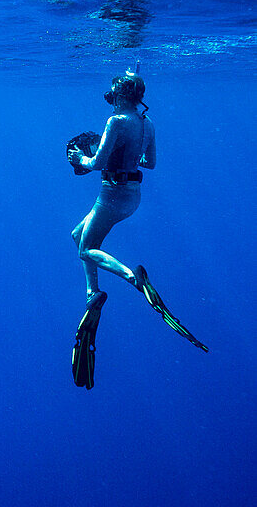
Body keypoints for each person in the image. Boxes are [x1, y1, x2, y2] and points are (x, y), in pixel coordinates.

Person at [68, 71, 207, 390]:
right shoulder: (148, 123)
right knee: (79, 234)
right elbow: (150, 162)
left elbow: (98, 162)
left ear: (119, 94)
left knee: (85, 249)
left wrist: (81, 158)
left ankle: (134, 278)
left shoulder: (115, 121)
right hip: (132, 196)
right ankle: (93, 293)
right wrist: (127, 155)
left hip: (112, 194)